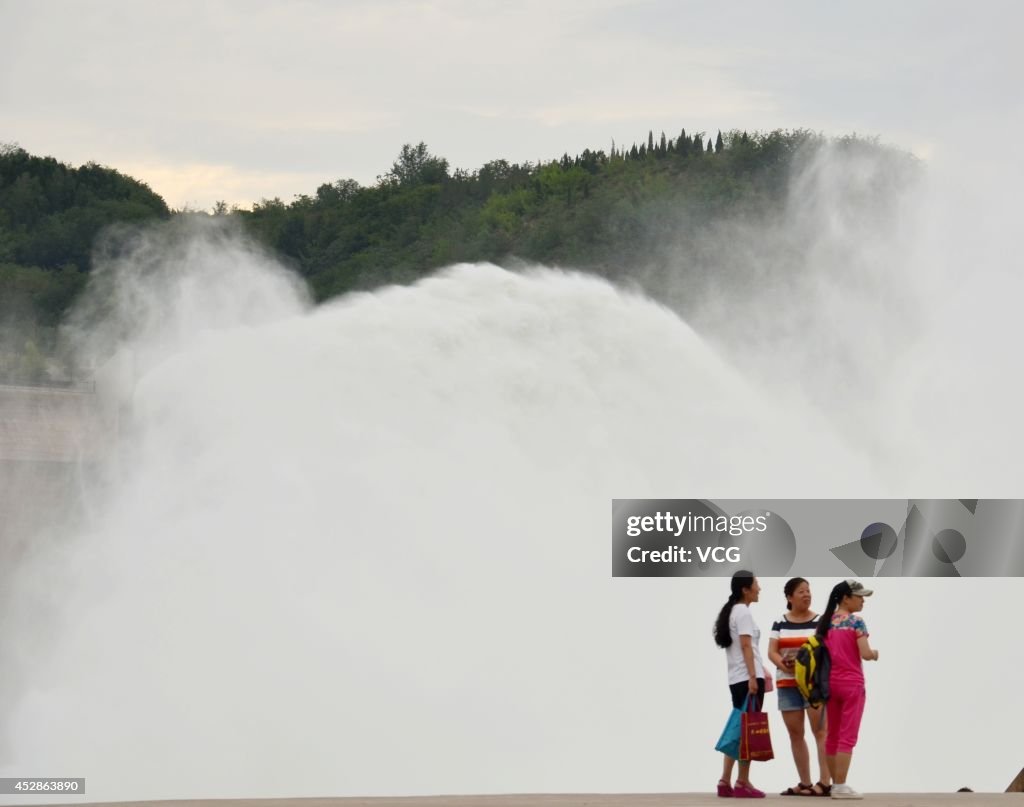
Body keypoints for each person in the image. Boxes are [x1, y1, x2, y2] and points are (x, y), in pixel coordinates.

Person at [815, 580, 879, 800]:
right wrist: (875, 653)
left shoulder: (824, 623)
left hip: (829, 685)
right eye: (859, 596)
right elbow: (865, 653)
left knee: (832, 735)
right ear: (845, 598)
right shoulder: (856, 622)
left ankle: (835, 784)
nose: (862, 600)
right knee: (847, 737)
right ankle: (841, 786)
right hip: (852, 684)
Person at [768, 578, 831, 797]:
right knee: (795, 734)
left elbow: (827, 650)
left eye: (808, 591)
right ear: (789, 597)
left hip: (813, 685)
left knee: (820, 732)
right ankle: (805, 783)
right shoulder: (779, 622)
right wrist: (783, 665)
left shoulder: (820, 621)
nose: (806, 595)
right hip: (787, 684)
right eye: (801, 591)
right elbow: (772, 651)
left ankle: (824, 782)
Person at [713, 570, 766, 798]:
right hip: (747, 679)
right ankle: (742, 782)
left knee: (739, 727)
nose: (759, 588)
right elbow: (746, 646)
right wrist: (754, 677)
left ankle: (725, 781)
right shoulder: (743, 612)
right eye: (756, 584)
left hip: (737, 678)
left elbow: (745, 648)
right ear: (746, 589)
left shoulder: (732, 611)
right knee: (749, 730)